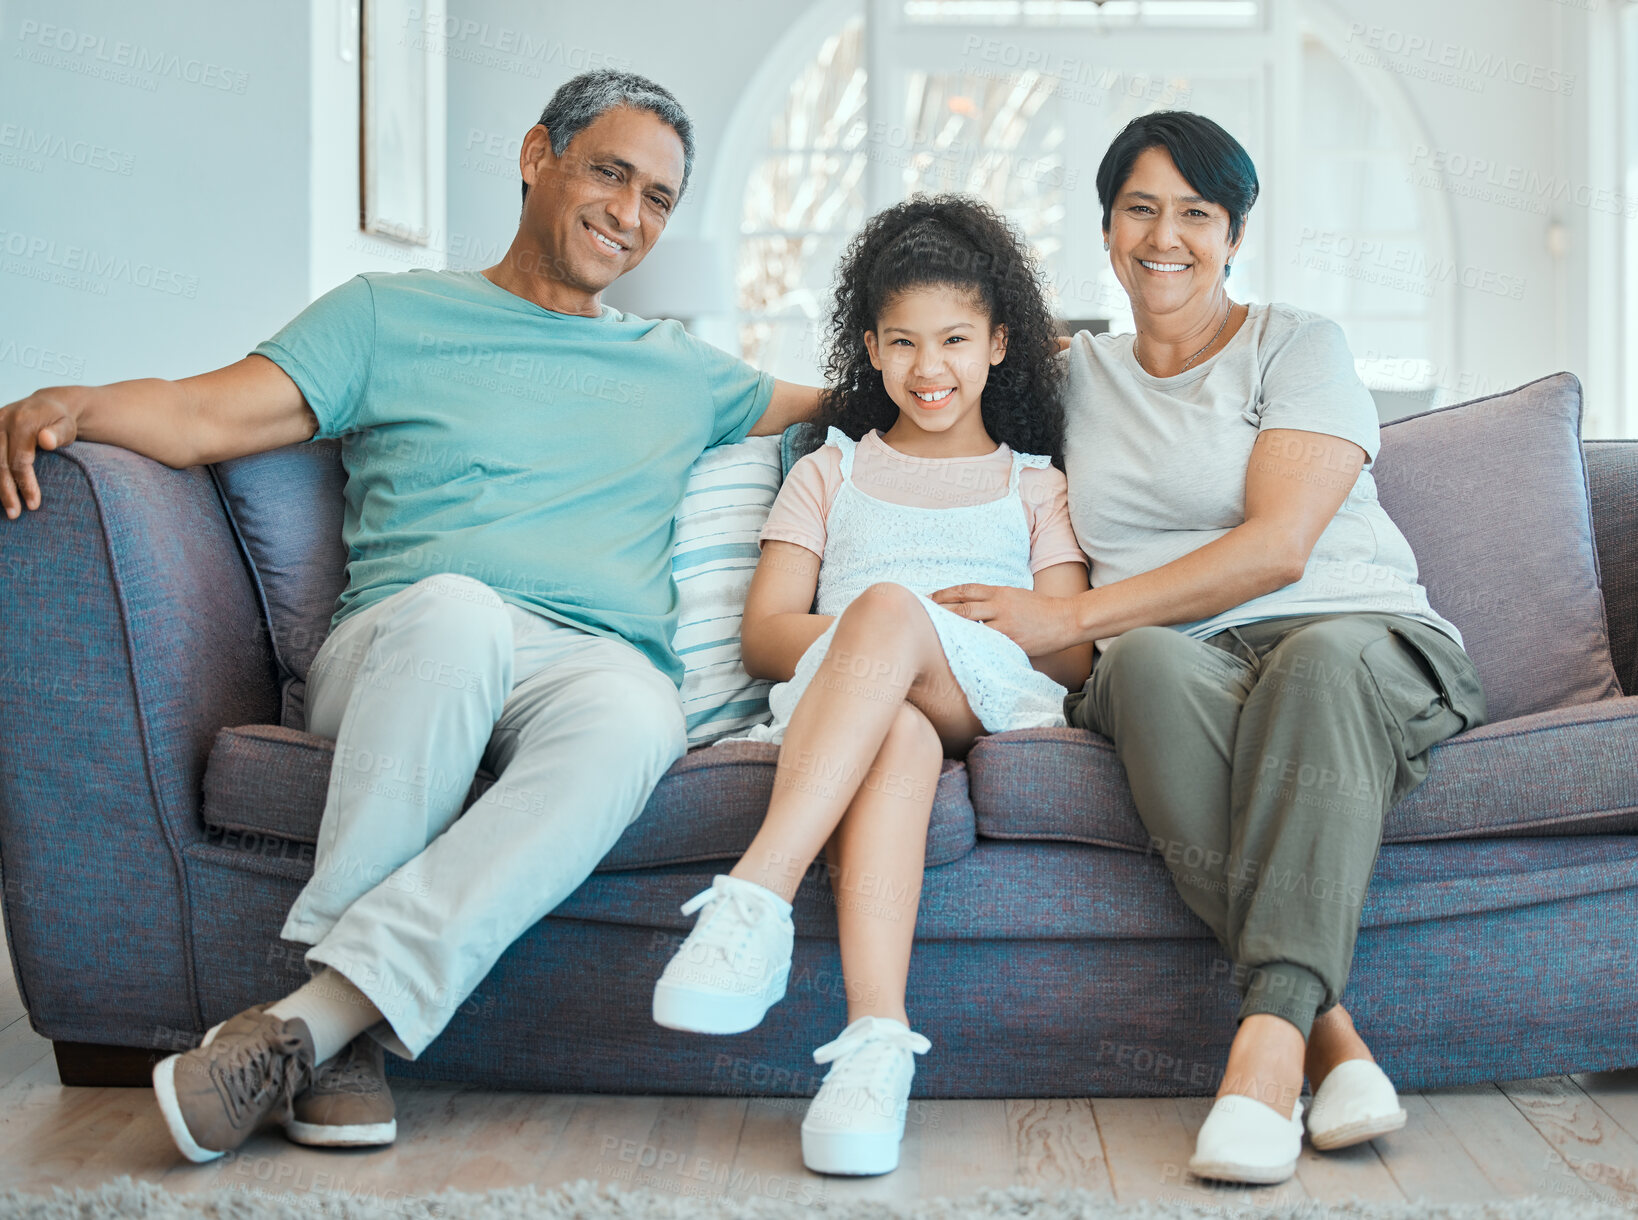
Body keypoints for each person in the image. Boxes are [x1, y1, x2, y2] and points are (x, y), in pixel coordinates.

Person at [0, 69, 822, 1162]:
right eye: (610, 173)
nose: (631, 215)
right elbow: (204, 412)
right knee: (459, 613)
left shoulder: (680, 366)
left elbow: (879, 396)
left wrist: (1051, 359)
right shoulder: (390, 315)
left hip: (592, 663)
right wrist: (75, 404)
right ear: (538, 155)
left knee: (640, 718)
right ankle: (340, 1038)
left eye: (659, 198)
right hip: (408, 639)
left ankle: (319, 1027)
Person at [931, 112, 1485, 1186]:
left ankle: (1269, 1048)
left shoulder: (1297, 342)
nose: (1165, 235)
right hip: (1187, 659)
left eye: (1197, 212)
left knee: (1312, 663)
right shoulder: (1074, 373)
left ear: (1234, 234)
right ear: (1106, 230)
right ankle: (1330, 1035)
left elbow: (1279, 548)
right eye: (1140, 207)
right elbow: (925, 365)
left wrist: (1071, 617)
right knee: (1136, 664)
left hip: (1361, 634)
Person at [650, 195, 1093, 1177]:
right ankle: (874, 1050)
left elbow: (1067, 649)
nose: (928, 368)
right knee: (889, 716)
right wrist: (877, 641)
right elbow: (766, 634)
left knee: (890, 610)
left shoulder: (1034, 483)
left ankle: (754, 896)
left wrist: (920, 621)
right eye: (903, 343)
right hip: (846, 701)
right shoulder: (830, 470)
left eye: (953, 340)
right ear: (869, 346)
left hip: (985, 689)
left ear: (997, 344)